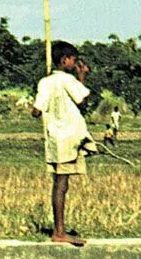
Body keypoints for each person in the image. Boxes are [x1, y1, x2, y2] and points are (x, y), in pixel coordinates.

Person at [31, 41, 94, 246]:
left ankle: (59, 229)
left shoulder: (45, 82)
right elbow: (83, 101)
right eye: (74, 60)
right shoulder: (68, 80)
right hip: (69, 138)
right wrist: (82, 77)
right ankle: (59, 231)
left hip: (54, 139)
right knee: (62, 185)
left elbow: (36, 111)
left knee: (59, 182)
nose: (75, 64)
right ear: (65, 60)